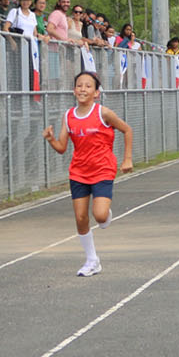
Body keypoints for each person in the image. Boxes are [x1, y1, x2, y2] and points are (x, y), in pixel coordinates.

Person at [42, 71, 134, 277]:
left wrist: (127, 158)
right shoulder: (69, 116)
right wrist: (50, 139)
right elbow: (62, 147)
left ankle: (105, 215)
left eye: (88, 86)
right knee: (81, 217)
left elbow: (127, 130)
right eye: (79, 85)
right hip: (78, 171)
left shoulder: (103, 113)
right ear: (74, 90)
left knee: (99, 216)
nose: (83, 89)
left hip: (102, 168)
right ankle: (92, 260)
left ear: (96, 93)